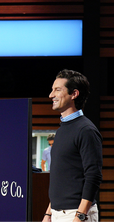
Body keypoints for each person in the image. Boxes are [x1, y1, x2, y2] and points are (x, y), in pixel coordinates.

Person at [43, 70, 102, 222]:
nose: (51, 95)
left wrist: (80, 216)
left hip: (76, 214)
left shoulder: (86, 130)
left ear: (74, 94)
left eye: (57, 90)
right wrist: (49, 213)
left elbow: (93, 177)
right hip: (58, 213)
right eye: (52, 90)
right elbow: (63, 178)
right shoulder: (63, 129)